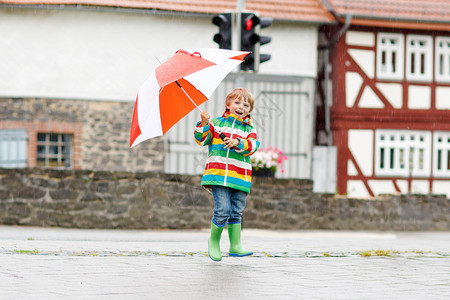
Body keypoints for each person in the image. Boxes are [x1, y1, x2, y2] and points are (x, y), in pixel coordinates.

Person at [194, 88, 260, 262]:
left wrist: (238, 142)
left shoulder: (249, 129)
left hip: (239, 176)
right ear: (228, 104)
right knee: (223, 210)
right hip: (218, 174)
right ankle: (214, 241)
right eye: (237, 103)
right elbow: (202, 139)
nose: (241, 107)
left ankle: (235, 245)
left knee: (236, 211)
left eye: (246, 105)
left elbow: (253, 145)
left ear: (249, 110)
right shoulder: (216, 123)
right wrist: (203, 123)